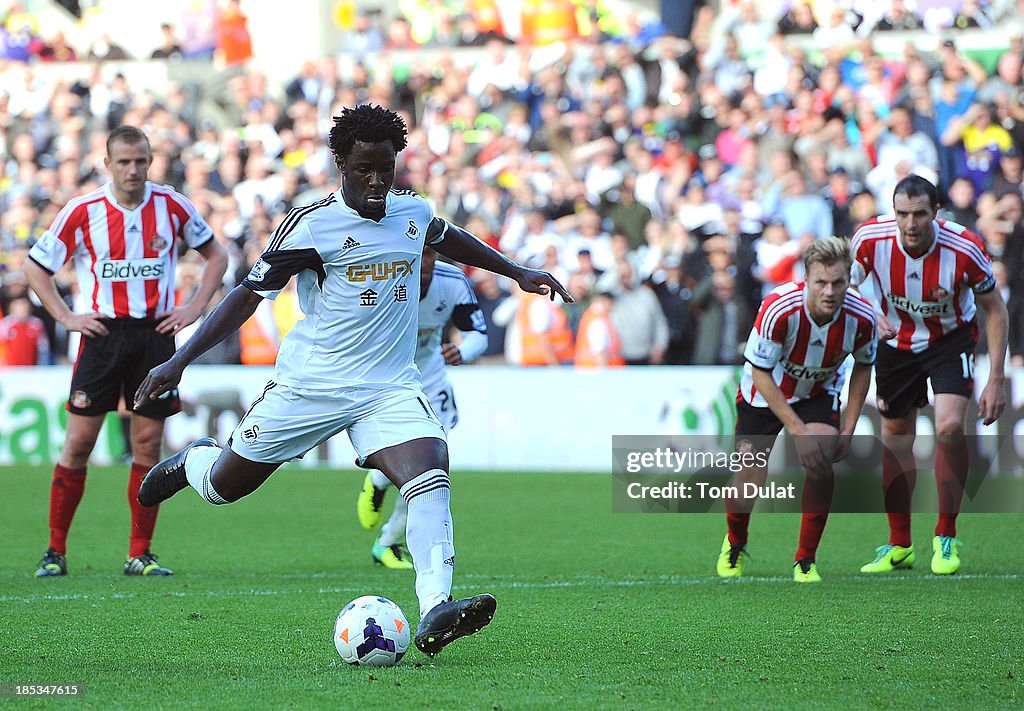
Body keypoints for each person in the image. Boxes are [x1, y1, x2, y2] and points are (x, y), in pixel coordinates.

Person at [132, 105, 572, 657]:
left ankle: (435, 607)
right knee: (225, 488)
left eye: (385, 168)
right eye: (364, 168)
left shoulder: (411, 214)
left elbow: (451, 236)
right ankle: (196, 460)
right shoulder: (312, 223)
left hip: (388, 387)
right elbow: (247, 295)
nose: (376, 181)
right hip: (310, 386)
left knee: (431, 469)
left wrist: (518, 272)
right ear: (340, 161)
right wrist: (178, 360)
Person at [23, 125, 229, 577]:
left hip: (155, 336)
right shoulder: (83, 210)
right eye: (124, 162)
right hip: (101, 335)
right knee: (78, 442)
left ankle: (140, 552)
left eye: (141, 161)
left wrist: (195, 306)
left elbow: (217, 255)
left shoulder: (172, 205)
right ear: (108, 164)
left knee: (147, 444)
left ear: (150, 161)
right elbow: (35, 267)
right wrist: (65, 317)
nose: (133, 169)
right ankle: (55, 551)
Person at [851, 175, 1007, 576]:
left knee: (951, 426)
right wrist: (874, 312)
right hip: (896, 345)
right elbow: (847, 287)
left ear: (936, 213)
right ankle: (900, 544)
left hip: (949, 340)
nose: (910, 224)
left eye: (920, 214)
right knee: (896, 439)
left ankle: (946, 535)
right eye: (902, 214)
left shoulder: (965, 248)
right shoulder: (869, 239)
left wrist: (995, 378)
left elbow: (995, 309)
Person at [717, 237, 876, 583]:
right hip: (764, 394)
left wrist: (847, 429)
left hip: (817, 392)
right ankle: (735, 541)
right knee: (747, 484)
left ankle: (805, 559)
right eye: (821, 282)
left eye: (838, 282)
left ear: (849, 280)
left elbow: (864, 366)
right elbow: (760, 372)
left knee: (820, 460)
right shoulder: (779, 308)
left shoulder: (861, 318)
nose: (830, 291)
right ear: (806, 278)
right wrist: (798, 431)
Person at [356, 246, 489, 569]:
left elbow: (478, 335)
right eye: (419, 255)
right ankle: (377, 481)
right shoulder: (382, 280)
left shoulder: (453, 282)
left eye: (431, 255)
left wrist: (464, 351)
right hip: (388, 384)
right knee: (404, 465)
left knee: (430, 470)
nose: (425, 263)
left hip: (430, 381)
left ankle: (387, 543)